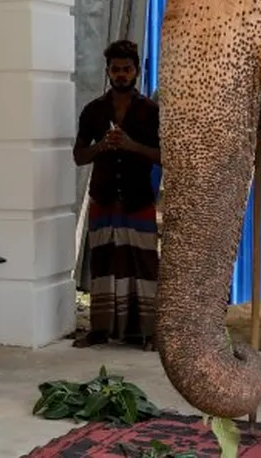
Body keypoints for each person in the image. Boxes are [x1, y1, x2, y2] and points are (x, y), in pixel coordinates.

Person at [72, 40, 161, 350]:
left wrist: (130, 146)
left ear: (136, 71)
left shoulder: (150, 111)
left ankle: (147, 333)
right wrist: (102, 146)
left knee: (143, 265)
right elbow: (79, 156)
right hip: (104, 197)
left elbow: (165, 156)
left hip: (138, 198)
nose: (121, 74)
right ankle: (100, 330)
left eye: (127, 69)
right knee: (104, 264)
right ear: (108, 72)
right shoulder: (94, 111)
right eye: (116, 69)